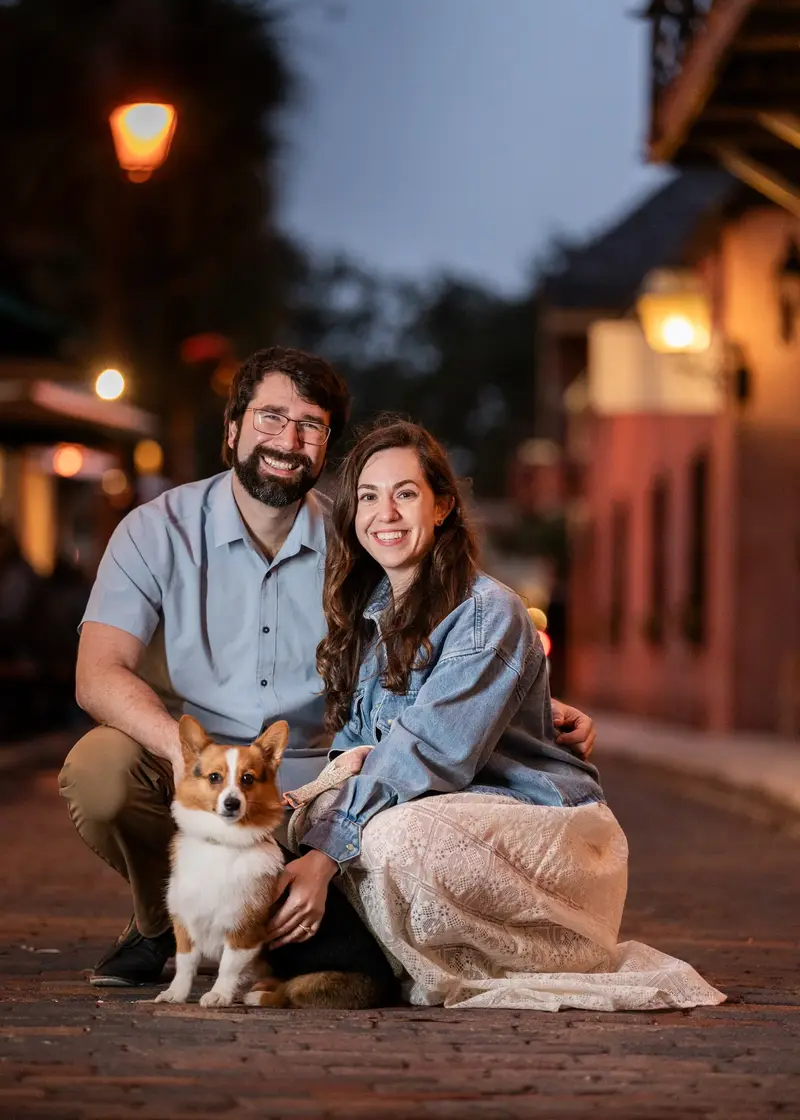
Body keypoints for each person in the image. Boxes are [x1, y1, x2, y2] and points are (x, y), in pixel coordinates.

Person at [59, 347, 596, 988]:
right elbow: (96, 676)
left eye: (310, 425)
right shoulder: (156, 531)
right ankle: (163, 921)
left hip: (320, 788)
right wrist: (182, 755)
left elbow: (438, 636)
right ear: (232, 430)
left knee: (332, 919)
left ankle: (273, 922)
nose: (288, 440)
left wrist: (524, 705)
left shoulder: (358, 542)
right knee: (99, 772)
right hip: (202, 765)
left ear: (326, 446)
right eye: (270, 418)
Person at [270, 420, 725, 1012]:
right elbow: (358, 744)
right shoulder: (371, 616)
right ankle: (365, 952)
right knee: (303, 821)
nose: (386, 512)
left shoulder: (489, 612)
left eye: (406, 493)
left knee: (386, 838)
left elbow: (424, 753)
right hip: (450, 813)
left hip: (539, 826)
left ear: (442, 508)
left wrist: (326, 853)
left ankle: (484, 954)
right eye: (368, 496)